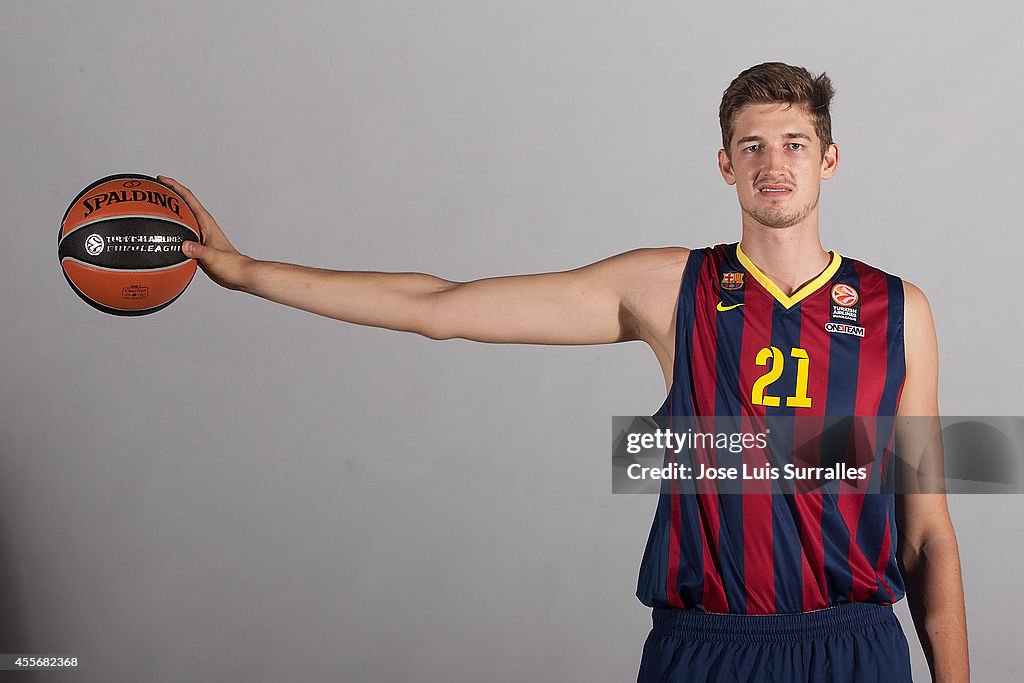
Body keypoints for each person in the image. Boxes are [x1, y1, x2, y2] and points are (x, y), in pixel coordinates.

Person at [159, 62, 969, 682]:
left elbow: (927, 530)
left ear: (829, 158)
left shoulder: (899, 310)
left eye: (794, 143)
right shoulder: (666, 287)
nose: (774, 162)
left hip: (853, 641)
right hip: (707, 645)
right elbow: (442, 306)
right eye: (751, 145)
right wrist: (248, 271)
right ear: (725, 165)